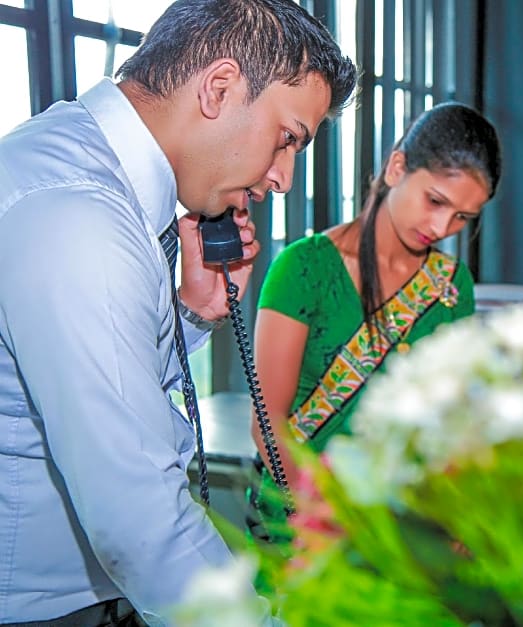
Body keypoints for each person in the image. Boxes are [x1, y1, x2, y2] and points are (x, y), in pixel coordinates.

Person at [0, 0, 357, 624]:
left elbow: (110, 383)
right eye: (287, 139)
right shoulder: (80, 220)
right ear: (218, 88)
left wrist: (192, 313)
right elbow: (137, 516)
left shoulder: (87, 169)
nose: (284, 179)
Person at [249, 102, 502, 541]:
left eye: (463, 217)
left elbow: (452, 416)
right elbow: (268, 423)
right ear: (397, 168)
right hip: (307, 526)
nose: (443, 226)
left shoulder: (451, 284)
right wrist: (332, 519)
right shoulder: (304, 269)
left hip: (407, 528)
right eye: (435, 201)